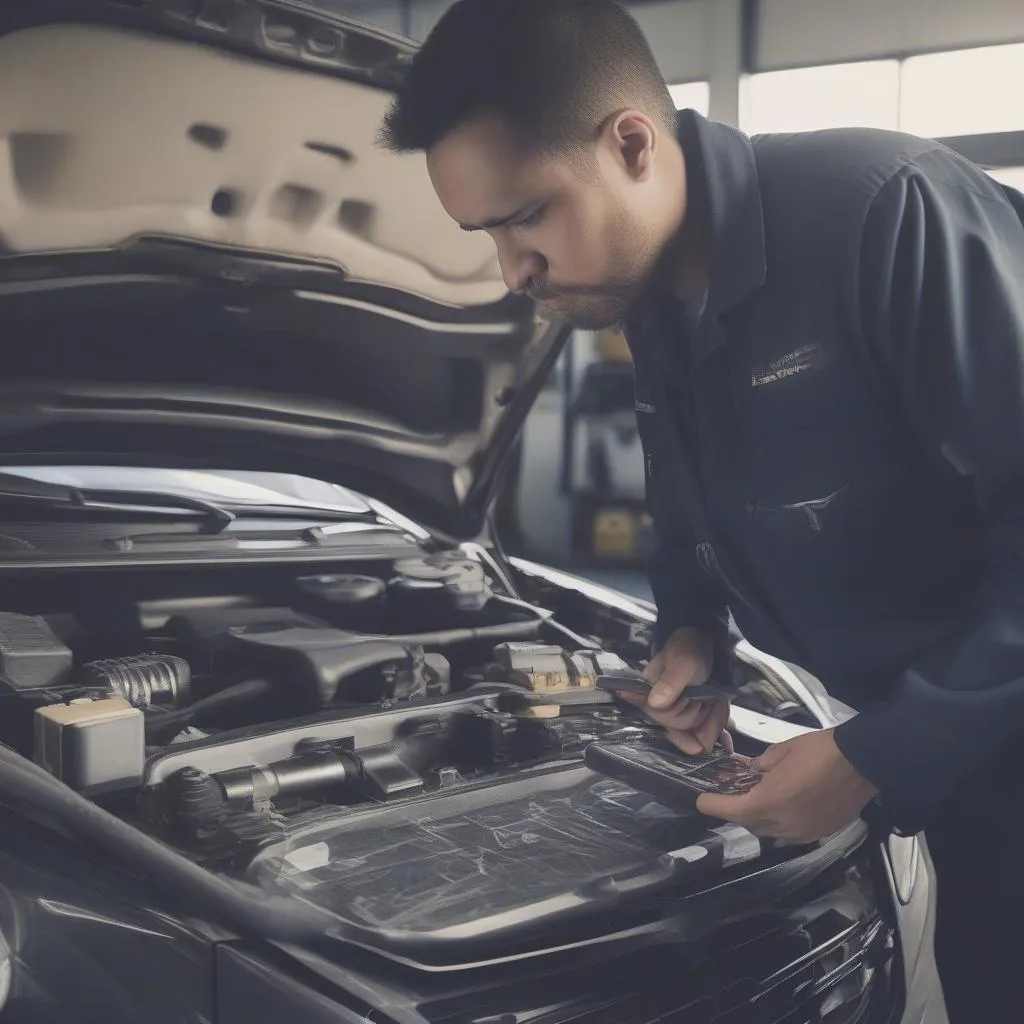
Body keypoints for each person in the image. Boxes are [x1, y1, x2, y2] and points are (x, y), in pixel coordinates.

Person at [378, 1, 1024, 1018]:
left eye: (523, 217)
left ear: (631, 142)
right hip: (972, 756)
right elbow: (691, 515)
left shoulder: (883, 214)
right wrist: (692, 631)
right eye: (485, 235)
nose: (513, 273)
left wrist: (870, 758)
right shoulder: (656, 303)